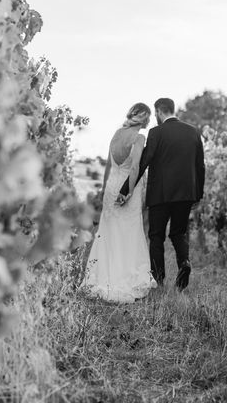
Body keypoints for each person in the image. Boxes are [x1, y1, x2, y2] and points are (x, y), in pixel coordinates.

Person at [118, 98, 205, 291]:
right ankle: (185, 263)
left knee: (156, 236)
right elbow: (200, 166)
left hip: (161, 194)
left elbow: (145, 161)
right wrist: (197, 195)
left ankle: (159, 279)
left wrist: (125, 189)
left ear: (158, 111)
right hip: (186, 193)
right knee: (179, 233)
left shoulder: (156, 132)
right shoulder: (193, 132)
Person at [82, 103, 157, 302]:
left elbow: (108, 166)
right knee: (129, 231)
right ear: (145, 119)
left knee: (108, 231)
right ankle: (125, 279)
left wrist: (105, 190)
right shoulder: (139, 137)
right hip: (126, 187)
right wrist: (129, 192)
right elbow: (134, 169)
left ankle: (103, 276)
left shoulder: (116, 134)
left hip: (111, 186)